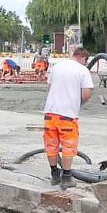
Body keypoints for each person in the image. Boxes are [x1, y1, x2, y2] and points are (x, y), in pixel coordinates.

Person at [43, 47, 93, 189]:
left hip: (50, 113)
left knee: (51, 145)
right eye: (86, 60)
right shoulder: (82, 70)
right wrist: (78, 103)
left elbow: (50, 87)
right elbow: (86, 94)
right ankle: (66, 177)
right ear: (83, 57)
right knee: (68, 146)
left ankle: (54, 174)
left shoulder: (57, 67)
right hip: (68, 115)